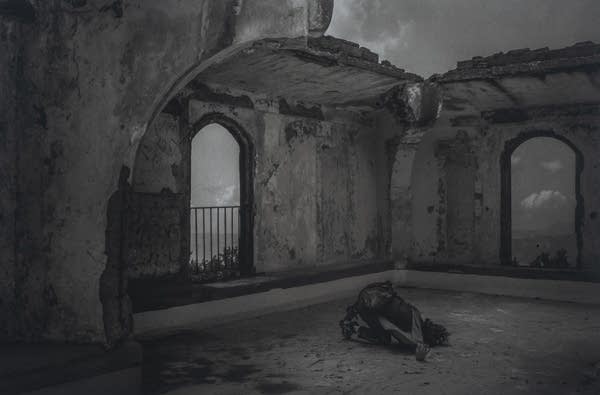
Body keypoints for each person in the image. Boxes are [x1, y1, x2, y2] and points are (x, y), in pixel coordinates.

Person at [339, 281, 449, 361]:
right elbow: (389, 325)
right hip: (371, 303)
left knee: (384, 332)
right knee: (383, 339)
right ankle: (352, 328)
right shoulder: (415, 338)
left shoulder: (418, 316)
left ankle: (351, 319)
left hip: (373, 295)